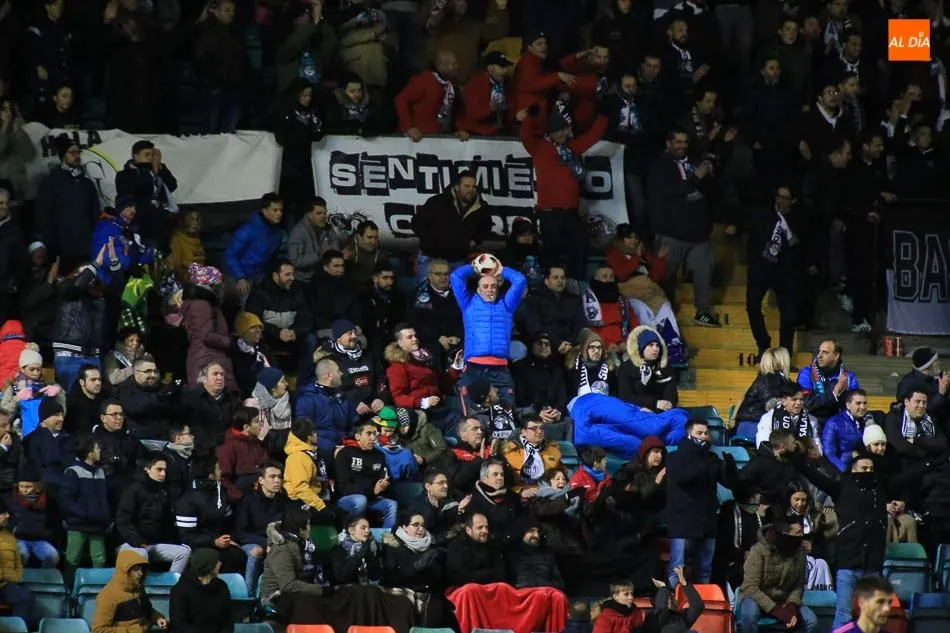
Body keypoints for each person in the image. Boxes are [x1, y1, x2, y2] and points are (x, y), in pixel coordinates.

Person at [665, 420, 737, 586]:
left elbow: (730, 483)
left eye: (706, 433)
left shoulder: (712, 459)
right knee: (677, 569)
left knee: (705, 570)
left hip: (707, 523)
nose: (704, 437)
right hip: (682, 523)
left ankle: (703, 606)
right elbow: (682, 477)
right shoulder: (675, 457)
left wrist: (730, 467)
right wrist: (704, 463)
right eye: (699, 433)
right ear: (689, 434)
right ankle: (675, 607)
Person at [451, 255, 527, 408]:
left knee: (507, 413)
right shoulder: (468, 303)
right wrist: (474, 268)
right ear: (478, 289)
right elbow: (455, 277)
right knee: (473, 416)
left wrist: (501, 270)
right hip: (474, 367)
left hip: (500, 368)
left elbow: (520, 280)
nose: (489, 290)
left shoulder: (506, 305)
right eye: (485, 286)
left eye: (493, 286)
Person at [116, 455, 192, 574]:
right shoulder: (133, 490)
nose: (163, 474)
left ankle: (170, 587)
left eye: (165, 470)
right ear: (147, 469)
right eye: (159, 469)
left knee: (183, 552)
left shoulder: (163, 492)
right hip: (130, 544)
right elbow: (123, 521)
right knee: (142, 554)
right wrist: (138, 542)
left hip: (153, 545)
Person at [739, 521, 818, 633]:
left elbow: (798, 585)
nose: (801, 538)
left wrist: (791, 607)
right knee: (750, 615)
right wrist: (777, 610)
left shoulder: (800, 553)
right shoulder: (758, 551)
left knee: (811, 621)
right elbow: (750, 587)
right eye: (797, 533)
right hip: (756, 598)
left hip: (784, 600)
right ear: (785, 533)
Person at [412, 171, 493, 280]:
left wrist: (475, 241)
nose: (471, 190)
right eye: (467, 186)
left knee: (457, 295)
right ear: (456, 187)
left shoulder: (481, 208)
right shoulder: (437, 202)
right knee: (425, 293)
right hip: (431, 258)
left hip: (457, 260)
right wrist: (431, 241)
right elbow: (416, 223)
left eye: (473, 186)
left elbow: (486, 227)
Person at [175, 459, 246, 574]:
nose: (221, 471)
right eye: (218, 468)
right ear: (210, 475)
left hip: (219, 542)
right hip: (197, 546)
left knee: (237, 554)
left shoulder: (221, 493)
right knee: (212, 558)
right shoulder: (188, 500)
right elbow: (186, 536)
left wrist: (229, 539)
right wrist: (213, 541)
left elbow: (229, 522)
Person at [181, 267, 237, 395]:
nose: (222, 287)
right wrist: (230, 342)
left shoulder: (200, 303)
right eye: (219, 284)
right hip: (208, 359)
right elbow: (206, 335)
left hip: (206, 357)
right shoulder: (202, 305)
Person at [259, 506, 325, 613]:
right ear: (300, 529)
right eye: (308, 524)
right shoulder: (282, 549)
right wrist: (320, 589)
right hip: (276, 598)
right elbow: (288, 585)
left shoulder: (299, 545)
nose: (310, 528)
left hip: (293, 594)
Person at [114, 140, 178, 249]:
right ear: (136, 156)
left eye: (152, 155)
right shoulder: (124, 175)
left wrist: (160, 169)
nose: (150, 158)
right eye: (146, 155)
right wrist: (152, 171)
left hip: (160, 221)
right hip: (139, 223)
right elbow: (137, 188)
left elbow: (172, 185)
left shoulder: (158, 169)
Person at [235, 463, 288, 594]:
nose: (277, 480)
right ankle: (249, 594)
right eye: (272, 477)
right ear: (261, 480)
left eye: (279, 477)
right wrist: (266, 543)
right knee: (256, 551)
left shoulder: (284, 501)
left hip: (277, 542)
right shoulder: (248, 500)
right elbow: (241, 533)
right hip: (252, 541)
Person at [61, 434, 111, 572]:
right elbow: (66, 500)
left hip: (98, 524)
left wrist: (105, 516)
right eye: (97, 448)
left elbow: (105, 498)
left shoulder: (101, 472)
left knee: (99, 558)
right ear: (89, 454)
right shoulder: (73, 472)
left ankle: (98, 590)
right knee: (73, 558)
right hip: (78, 524)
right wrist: (84, 513)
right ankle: (70, 591)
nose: (100, 450)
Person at [334, 420, 397, 528]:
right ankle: (351, 534)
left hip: (372, 498)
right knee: (360, 500)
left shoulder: (379, 455)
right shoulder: (345, 454)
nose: (373, 438)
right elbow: (343, 487)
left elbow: (385, 477)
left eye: (375, 434)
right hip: (346, 499)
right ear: (358, 436)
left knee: (391, 505)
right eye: (368, 434)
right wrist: (371, 490)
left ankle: (386, 539)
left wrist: (384, 484)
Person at [91, 549, 168, 633]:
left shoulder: (139, 588)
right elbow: (98, 630)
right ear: (125, 571)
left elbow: (148, 611)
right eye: (136, 570)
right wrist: (132, 631)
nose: (141, 573)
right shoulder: (108, 596)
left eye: (142, 569)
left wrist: (158, 618)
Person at [224, 193, 285, 299]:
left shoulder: (278, 233)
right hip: (237, 275)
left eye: (280, 210)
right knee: (247, 300)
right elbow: (230, 255)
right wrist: (240, 277)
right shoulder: (247, 230)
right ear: (265, 211)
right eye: (274, 210)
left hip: (259, 275)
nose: (279, 213)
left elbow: (272, 257)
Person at [296, 358, 358, 454]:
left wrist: (349, 445)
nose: (341, 374)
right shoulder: (307, 399)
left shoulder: (343, 397)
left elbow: (352, 426)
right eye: (338, 371)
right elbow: (305, 432)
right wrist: (332, 449)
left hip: (344, 450)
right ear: (329, 375)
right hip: (320, 451)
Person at [169, 548, 234, 633]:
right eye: (217, 562)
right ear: (208, 566)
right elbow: (179, 624)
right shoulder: (181, 589)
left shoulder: (222, 586)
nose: (220, 564)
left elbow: (227, 619)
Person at [282, 417, 334, 524]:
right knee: (335, 516)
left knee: (342, 513)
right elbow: (300, 488)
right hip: (299, 503)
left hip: (315, 499)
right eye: (314, 432)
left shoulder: (312, 454)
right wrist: (321, 507)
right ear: (309, 436)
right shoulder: (298, 457)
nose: (317, 435)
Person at [617, 326, 678, 411]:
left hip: (662, 413)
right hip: (635, 411)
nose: (655, 349)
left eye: (657, 345)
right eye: (651, 345)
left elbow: (671, 398)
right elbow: (625, 397)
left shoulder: (666, 368)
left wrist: (656, 410)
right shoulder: (626, 368)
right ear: (641, 348)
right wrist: (654, 403)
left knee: (680, 416)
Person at [796, 340, 859, 423]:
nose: (819, 356)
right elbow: (806, 404)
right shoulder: (806, 373)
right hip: (812, 422)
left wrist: (841, 393)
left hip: (841, 424)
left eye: (825, 352)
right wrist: (834, 394)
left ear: (836, 355)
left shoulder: (849, 377)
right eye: (819, 351)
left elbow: (853, 407)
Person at [216, 406, 269, 501]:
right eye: (257, 422)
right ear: (246, 427)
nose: (261, 425)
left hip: (260, 492)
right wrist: (238, 496)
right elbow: (223, 478)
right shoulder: (228, 447)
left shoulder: (257, 443)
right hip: (242, 497)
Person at [733, 347, 792, 430]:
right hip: (753, 425)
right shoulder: (770, 380)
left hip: (752, 423)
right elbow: (771, 406)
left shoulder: (770, 378)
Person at [287, 198, 341, 284]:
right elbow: (295, 261)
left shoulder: (328, 229)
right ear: (309, 215)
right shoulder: (298, 232)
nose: (323, 216)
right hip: (304, 281)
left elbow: (335, 249)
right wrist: (319, 254)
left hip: (325, 276)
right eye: (319, 213)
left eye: (325, 213)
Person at [821, 389, 875, 473]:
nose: (863, 407)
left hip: (866, 469)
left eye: (864, 403)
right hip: (842, 471)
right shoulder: (834, 423)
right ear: (848, 405)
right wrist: (846, 471)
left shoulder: (868, 421)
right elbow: (829, 453)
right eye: (858, 403)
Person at [0, 506, 35, 627]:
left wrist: (16, 578)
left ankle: (17, 629)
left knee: (26, 597)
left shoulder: (10, 537)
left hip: (5, 585)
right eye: (3, 513)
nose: (7, 516)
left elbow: (18, 563)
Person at [642, 567, 704, 633]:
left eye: (672, 596)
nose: (672, 599)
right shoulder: (653, 618)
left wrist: (685, 584)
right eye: (668, 597)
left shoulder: (681, 618)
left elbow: (698, 606)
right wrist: (663, 589)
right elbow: (661, 610)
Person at [896, 347, 950, 420]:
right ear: (928, 366)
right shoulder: (909, 383)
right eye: (936, 361)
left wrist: (947, 387)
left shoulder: (935, 377)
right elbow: (922, 410)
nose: (939, 363)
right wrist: (941, 393)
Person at [330, 515, 384, 585]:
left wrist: (371, 555)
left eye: (368, 528)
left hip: (364, 590)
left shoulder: (370, 547)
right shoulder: (338, 550)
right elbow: (341, 577)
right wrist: (361, 553)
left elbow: (374, 577)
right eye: (363, 528)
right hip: (345, 591)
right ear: (351, 530)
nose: (367, 531)